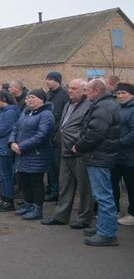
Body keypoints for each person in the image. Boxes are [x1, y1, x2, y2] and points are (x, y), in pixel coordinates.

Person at [40, 79, 93, 228]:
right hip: (65, 150)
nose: (70, 91)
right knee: (65, 186)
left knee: (84, 188)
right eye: (69, 88)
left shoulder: (89, 106)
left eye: (74, 89)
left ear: (84, 91)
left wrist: (79, 144)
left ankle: (84, 218)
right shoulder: (68, 104)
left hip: (80, 152)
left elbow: (88, 130)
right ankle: (61, 216)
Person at [74, 79, 120, 246]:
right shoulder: (104, 104)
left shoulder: (103, 106)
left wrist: (79, 147)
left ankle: (107, 233)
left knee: (103, 196)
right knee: (100, 194)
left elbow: (95, 132)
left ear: (97, 91)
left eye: (88, 90)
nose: (85, 93)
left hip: (99, 156)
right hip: (98, 155)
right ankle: (103, 227)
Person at [9, 88, 55, 220]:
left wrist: (21, 146)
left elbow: (42, 135)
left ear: (42, 99)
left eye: (32, 97)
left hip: (36, 154)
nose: (29, 100)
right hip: (21, 153)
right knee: (24, 181)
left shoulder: (46, 114)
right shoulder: (25, 112)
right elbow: (15, 128)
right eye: (28, 98)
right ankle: (28, 204)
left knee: (36, 182)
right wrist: (12, 142)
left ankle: (37, 208)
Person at [0, 90, 20, 211]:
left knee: (6, 175)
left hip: (4, 147)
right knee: (1, 175)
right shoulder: (0, 112)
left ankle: (9, 200)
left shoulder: (10, 113)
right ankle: (4, 198)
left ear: (4, 100)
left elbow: (2, 130)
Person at [45, 71, 70, 202]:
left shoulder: (64, 95)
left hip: (58, 136)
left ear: (57, 80)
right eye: (47, 79)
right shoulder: (48, 94)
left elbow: (65, 114)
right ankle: (50, 188)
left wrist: (57, 129)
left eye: (50, 79)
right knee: (49, 164)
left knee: (57, 165)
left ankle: (58, 191)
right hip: (48, 134)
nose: (47, 81)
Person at [113, 82, 134, 226]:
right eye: (118, 93)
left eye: (123, 93)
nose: (120, 96)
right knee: (113, 184)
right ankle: (114, 211)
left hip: (130, 157)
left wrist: (118, 142)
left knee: (131, 186)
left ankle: (132, 214)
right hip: (115, 156)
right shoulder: (118, 108)